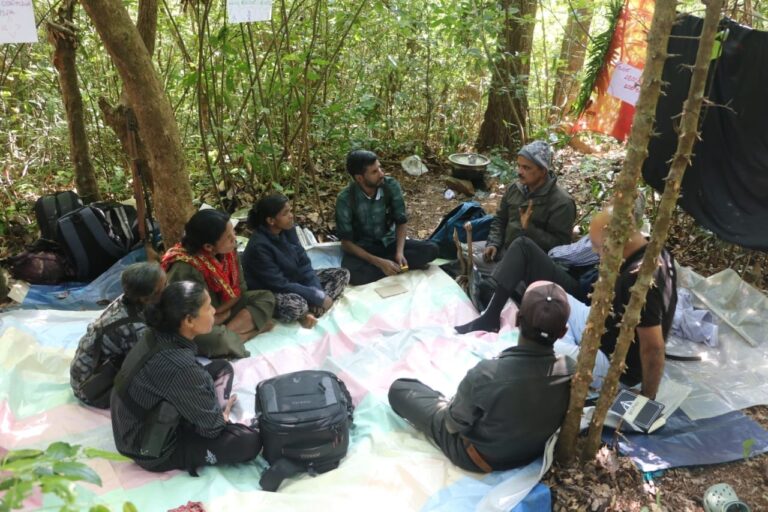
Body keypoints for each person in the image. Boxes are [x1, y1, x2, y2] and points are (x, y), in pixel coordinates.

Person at [457, 209, 677, 400]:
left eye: (598, 247)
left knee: (526, 341)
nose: (594, 253)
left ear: (616, 241)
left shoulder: (640, 279)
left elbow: (653, 346)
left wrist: (647, 397)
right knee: (546, 290)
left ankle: (565, 344)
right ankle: (563, 338)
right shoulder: (654, 249)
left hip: (613, 363)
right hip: (599, 325)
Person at [389, 281, 574, 473]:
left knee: (400, 389)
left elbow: (452, 425)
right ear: (563, 333)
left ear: (517, 319)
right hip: (529, 454)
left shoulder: (487, 374)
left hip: (478, 457)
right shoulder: (571, 369)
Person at [111, 281, 262, 473]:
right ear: (189, 320)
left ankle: (207, 409)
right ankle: (212, 411)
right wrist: (221, 417)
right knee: (249, 442)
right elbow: (212, 430)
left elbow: (186, 375)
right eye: (208, 308)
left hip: (139, 416)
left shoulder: (156, 334)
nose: (214, 311)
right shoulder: (180, 367)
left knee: (222, 368)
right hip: (149, 447)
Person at [162, 209, 275, 358]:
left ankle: (229, 335)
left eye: (233, 232)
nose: (234, 239)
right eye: (228, 237)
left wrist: (221, 313)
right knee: (214, 340)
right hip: (198, 321)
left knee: (266, 298)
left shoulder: (227, 251)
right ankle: (243, 336)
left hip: (221, 311)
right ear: (209, 247)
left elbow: (240, 288)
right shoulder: (185, 268)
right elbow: (186, 318)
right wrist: (214, 317)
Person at [242, 194, 350, 328]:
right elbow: (279, 284)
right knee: (297, 305)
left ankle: (314, 307)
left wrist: (317, 294)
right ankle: (309, 308)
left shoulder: (288, 229)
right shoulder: (259, 247)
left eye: (290, 211)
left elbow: (304, 264)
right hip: (273, 290)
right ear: (271, 220)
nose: (291, 215)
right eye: (285, 213)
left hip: (294, 280)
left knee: (342, 274)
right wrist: (316, 297)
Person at [335, 149, 439, 285]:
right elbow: (346, 243)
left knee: (432, 249)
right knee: (353, 273)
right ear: (359, 178)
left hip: (389, 243)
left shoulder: (390, 186)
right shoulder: (345, 199)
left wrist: (400, 253)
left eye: (379, 168)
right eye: (374, 172)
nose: (381, 174)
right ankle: (390, 266)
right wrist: (379, 262)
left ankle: (392, 265)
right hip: (364, 249)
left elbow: (401, 221)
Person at [70, 262, 166, 408]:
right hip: (92, 389)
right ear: (145, 298)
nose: (168, 288)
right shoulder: (136, 328)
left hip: (81, 373)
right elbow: (149, 367)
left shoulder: (125, 298)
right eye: (163, 286)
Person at [474, 140, 576, 274]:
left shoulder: (562, 203)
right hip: (504, 249)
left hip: (530, 264)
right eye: (519, 166)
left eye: (526, 168)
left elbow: (560, 247)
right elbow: (500, 220)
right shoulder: (515, 188)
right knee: (466, 252)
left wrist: (530, 229)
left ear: (543, 171)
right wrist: (493, 243)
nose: (520, 172)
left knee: (497, 282)